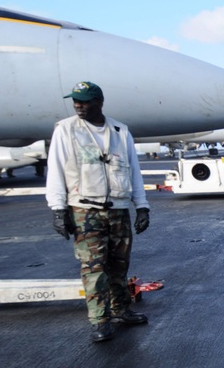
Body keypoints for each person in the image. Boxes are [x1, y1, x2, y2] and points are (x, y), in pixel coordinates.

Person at [46, 81, 151, 343]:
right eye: (76, 101)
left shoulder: (119, 131)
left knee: (119, 265)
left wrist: (142, 206)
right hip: (85, 210)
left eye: (85, 101)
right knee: (93, 268)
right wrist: (58, 209)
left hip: (118, 209)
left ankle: (120, 310)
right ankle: (99, 320)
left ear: (99, 102)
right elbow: (55, 170)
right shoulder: (66, 130)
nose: (78, 105)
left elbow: (133, 170)